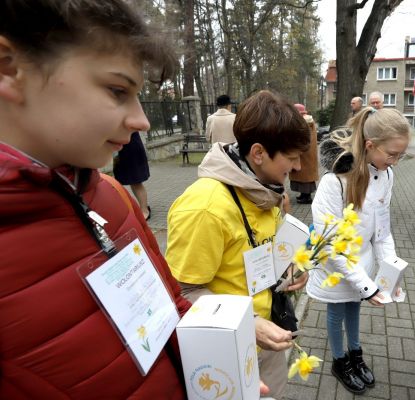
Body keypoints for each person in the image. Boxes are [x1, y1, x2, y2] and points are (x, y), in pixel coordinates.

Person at [0, 0, 192, 397]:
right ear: (8, 67)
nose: (142, 120)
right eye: (117, 90)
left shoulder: (114, 196)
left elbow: (169, 305)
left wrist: (220, 344)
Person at [165, 90, 310, 399]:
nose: (297, 167)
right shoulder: (205, 207)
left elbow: (258, 251)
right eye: (292, 157)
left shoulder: (265, 188)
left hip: (265, 336)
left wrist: (288, 270)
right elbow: (181, 293)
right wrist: (249, 324)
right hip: (226, 350)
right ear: (258, 153)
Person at [307, 107, 410, 394]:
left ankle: (355, 354)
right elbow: (329, 243)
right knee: (337, 309)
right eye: (392, 154)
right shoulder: (333, 183)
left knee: (354, 305)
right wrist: (367, 285)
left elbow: (382, 229)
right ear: (369, 145)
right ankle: (340, 361)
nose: (396, 162)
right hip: (335, 264)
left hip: (360, 260)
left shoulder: (386, 174)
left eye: (400, 155)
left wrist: (392, 273)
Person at [113, 131, 151, 220]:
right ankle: (140, 208)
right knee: (121, 182)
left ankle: (145, 210)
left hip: (131, 149)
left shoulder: (127, 119)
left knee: (136, 182)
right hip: (120, 151)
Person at [289, 103, 319, 204]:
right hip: (306, 154)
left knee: (305, 177)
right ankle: (304, 195)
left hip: (305, 154)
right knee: (304, 176)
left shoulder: (305, 122)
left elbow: (303, 138)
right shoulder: (306, 121)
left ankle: (306, 197)